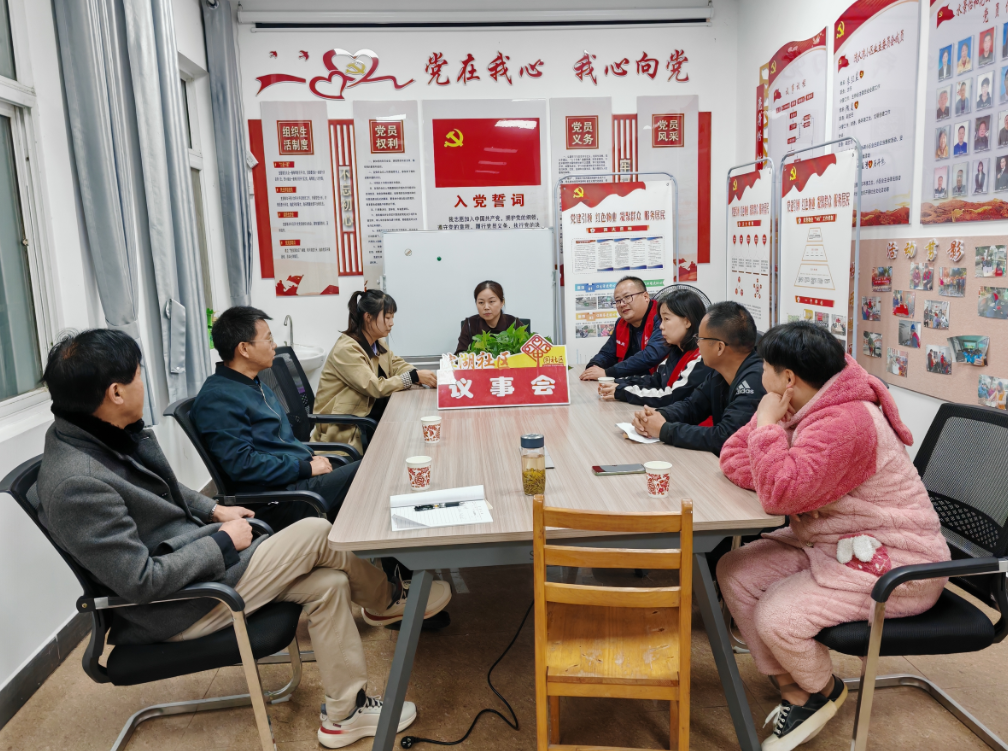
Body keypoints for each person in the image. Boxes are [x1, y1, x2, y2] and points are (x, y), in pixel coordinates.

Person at [31, 329, 451, 750]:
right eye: (139, 374)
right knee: (318, 532)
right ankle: (387, 601)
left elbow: (166, 491)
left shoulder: (100, 433)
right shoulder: (76, 484)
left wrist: (214, 510)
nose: (145, 382)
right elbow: (141, 581)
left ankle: (345, 714)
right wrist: (222, 542)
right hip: (180, 605)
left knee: (330, 583)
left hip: (198, 564)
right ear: (116, 392)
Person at [716, 322, 949, 750]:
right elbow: (734, 455)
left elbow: (778, 491)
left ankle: (821, 692)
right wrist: (791, 484)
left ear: (788, 377)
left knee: (778, 617)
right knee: (736, 571)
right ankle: (798, 689)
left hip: (898, 563)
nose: (760, 374)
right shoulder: (801, 402)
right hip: (831, 541)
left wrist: (768, 434)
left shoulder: (845, 421)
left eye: (764, 366)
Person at [191, 307, 357, 531]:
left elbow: (277, 442)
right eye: (268, 339)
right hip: (279, 499)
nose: (274, 345)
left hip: (294, 481)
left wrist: (310, 460)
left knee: (368, 469)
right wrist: (305, 468)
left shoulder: (252, 383)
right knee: (370, 471)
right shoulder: (218, 398)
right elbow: (243, 465)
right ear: (244, 349)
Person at [630, 301, 765, 455]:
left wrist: (664, 430)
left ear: (719, 347)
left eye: (700, 338)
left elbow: (726, 437)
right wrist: (656, 416)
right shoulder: (719, 371)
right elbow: (692, 407)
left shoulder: (756, 380)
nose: (698, 344)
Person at [313, 290, 437, 454]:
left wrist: (415, 373)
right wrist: (413, 377)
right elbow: (374, 386)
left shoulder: (377, 343)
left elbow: (395, 364)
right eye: (387, 317)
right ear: (368, 317)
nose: (391, 323)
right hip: (347, 431)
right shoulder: (346, 349)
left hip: (369, 421)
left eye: (392, 317)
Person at [598, 288, 711, 408]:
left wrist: (622, 391)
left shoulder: (701, 358)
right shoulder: (676, 351)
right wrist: (616, 382)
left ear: (687, 321)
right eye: (661, 320)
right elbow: (656, 380)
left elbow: (671, 397)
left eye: (666, 319)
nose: (661, 326)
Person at [580, 275, 670, 380]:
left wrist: (608, 373)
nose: (622, 304)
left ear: (645, 296)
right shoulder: (621, 323)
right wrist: (593, 367)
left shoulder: (662, 318)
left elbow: (651, 355)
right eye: (618, 300)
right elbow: (607, 354)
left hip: (657, 382)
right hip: (630, 382)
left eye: (627, 297)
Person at [455, 280, 522, 354]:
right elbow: (460, 355)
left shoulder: (514, 323)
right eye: (481, 302)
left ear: (502, 302)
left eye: (491, 301)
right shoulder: (470, 324)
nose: (486, 307)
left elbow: (527, 353)